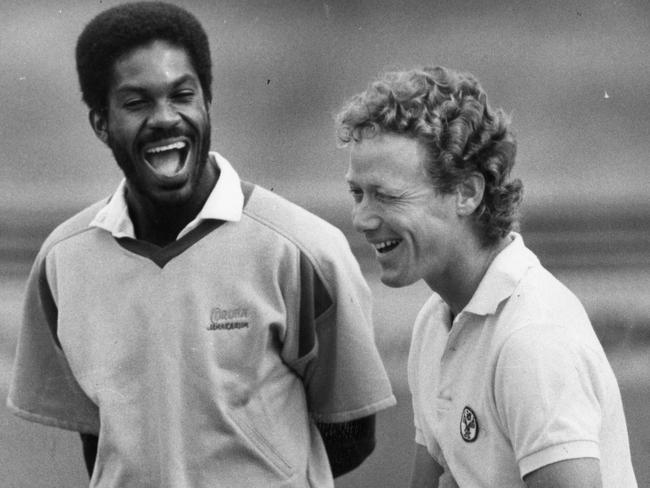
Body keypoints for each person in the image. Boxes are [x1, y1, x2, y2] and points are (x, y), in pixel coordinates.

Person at [6, 2, 396, 487]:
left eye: (182, 95)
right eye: (135, 103)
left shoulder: (304, 251)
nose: (165, 118)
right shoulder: (61, 263)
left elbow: (352, 435)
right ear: (100, 123)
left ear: (206, 102)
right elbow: (100, 439)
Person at [336, 66, 637, 487]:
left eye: (387, 195)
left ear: (467, 192)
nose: (362, 218)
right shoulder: (434, 323)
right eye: (357, 193)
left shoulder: (531, 340)